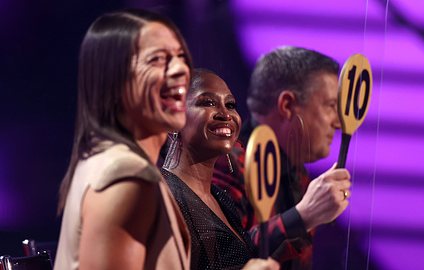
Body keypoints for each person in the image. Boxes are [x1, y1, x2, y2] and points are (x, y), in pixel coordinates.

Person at [54, 9, 193, 269]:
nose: (180, 69)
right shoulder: (127, 178)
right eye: (157, 59)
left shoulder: (101, 159)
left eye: (180, 56)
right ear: (114, 79)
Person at [213, 46, 352, 269]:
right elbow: (221, 257)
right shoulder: (228, 162)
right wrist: (302, 216)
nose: (337, 123)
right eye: (330, 106)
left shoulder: (297, 173)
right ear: (287, 105)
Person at [162, 69, 279, 270]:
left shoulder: (222, 199)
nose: (225, 114)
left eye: (231, 105)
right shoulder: (162, 195)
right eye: (207, 102)